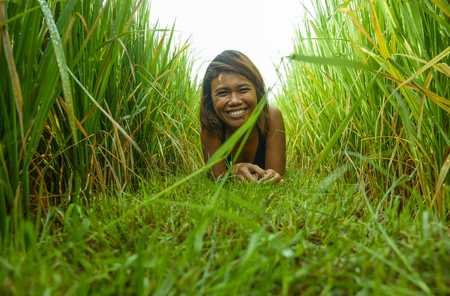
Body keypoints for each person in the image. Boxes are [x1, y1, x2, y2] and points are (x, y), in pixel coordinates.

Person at [200, 50, 286, 184]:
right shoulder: (211, 126)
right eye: (223, 93)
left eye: (243, 90)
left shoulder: (271, 117)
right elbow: (216, 180)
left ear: (257, 91)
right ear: (210, 99)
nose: (234, 101)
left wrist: (270, 176)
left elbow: (275, 175)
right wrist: (233, 171)